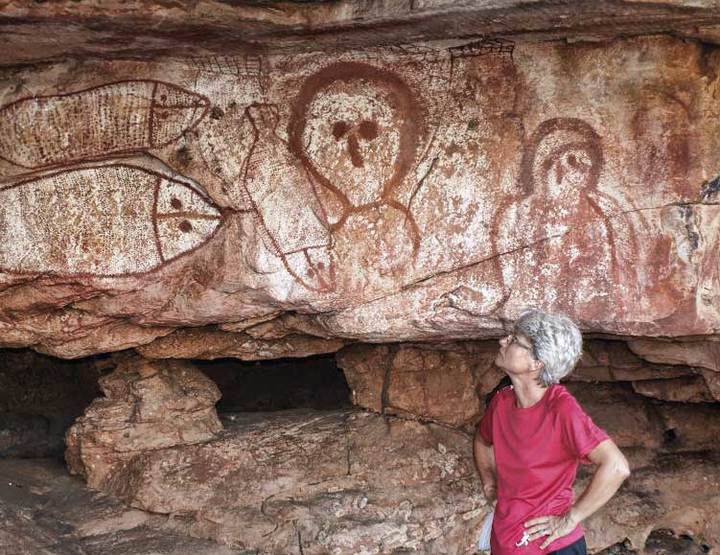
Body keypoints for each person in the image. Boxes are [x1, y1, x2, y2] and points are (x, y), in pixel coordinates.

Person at [474, 309, 631, 554]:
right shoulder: (502, 402)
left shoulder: (561, 409)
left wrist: (571, 518)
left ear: (537, 363)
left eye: (515, 340)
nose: (503, 341)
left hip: (550, 547)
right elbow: (483, 442)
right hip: (506, 540)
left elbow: (617, 466)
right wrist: (489, 486)